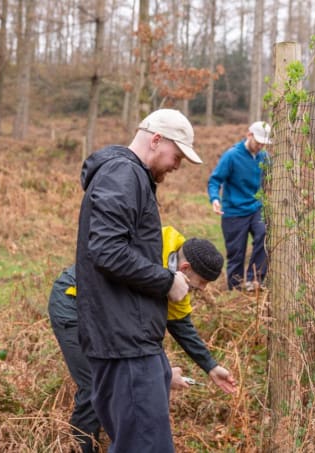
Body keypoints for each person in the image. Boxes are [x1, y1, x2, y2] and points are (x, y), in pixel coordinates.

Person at [75, 108, 201, 453]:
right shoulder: (123, 174)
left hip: (128, 339)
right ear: (156, 139)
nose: (177, 166)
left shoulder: (127, 176)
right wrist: (166, 282)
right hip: (124, 342)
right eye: (177, 156)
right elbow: (107, 250)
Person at [49, 226, 237, 452]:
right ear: (185, 268)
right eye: (196, 285)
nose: (197, 291)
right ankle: (81, 448)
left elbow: (180, 325)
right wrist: (162, 375)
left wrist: (211, 366)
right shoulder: (148, 254)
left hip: (109, 313)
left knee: (113, 383)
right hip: (75, 302)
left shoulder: (176, 278)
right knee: (93, 385)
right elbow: (136, 330)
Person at [207, 121, 271, 291]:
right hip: (234, 211)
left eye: (263, 144)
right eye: (258, 142)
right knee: (236, 253)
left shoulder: (264, 158)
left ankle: (254, 280)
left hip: (256, 207)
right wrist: (214, 199)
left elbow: (270, 180)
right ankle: (235, 289)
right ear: (249, 135)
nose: (260, 146)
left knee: (264, 234)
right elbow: (215, 180)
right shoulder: (232, 156)